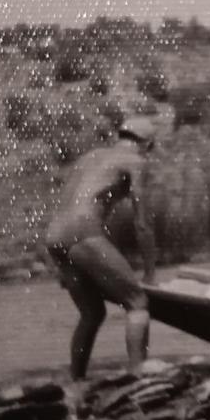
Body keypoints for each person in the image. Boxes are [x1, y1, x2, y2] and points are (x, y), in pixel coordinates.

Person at [43, 117, 159, 380]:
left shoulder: (90, 157)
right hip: (83, 232)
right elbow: (142, 224)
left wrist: (61, 263)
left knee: (92, 313)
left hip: (54, 237)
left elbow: (66, 200)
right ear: (147, 145)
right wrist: (150, 274)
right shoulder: (137, 162)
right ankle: (139, 378)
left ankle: (76, 382)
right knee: (137, 301)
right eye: (151, 149)